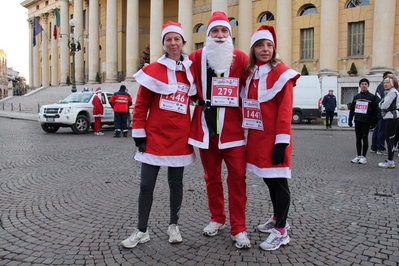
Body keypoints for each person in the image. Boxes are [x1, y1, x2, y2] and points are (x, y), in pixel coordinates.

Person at [121, 21, 196, 248]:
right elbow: (141, 105)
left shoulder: (191, 71)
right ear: (163, 43)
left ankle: (174, 225)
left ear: (183, 42)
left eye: (177, 39)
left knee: (176, 184)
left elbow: (198, 100)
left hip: (179, 138)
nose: (173, 43)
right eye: (168, 39)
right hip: (153, 137)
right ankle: (141, 230)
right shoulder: (151, 71)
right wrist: (139, 134)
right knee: (146, 185)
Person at [188, 11, 250, 249]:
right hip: (206, 129)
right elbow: (186, 86)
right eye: (215, 31)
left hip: (233, 131)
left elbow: (251, 89)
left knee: (237, 180)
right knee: (211, 178)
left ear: (230, 34)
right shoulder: (195, 57)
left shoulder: (241, 58)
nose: (220, 35)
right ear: (208, 34)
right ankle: (217, 219)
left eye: (224, 31)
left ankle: (239, 228)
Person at [241, 25, 300, 251]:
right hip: (257, 137)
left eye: (269, 45)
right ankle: (277, 218)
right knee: (268, 180)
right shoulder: (250, 74)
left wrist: (282, 142)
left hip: (276, 139)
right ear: (253, 49)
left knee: (279, 182)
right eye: (260, 45)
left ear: (274, 48)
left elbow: (285, 110)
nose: (265, 49)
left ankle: (282, 231)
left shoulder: (282, 73)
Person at [348, 78, 377, 164]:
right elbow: (352, 109)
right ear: (360, 86)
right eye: (362, 84)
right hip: (358, 120)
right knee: (358, 138)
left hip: (366, 121)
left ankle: (364, 156)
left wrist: (373, 122)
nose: (364, 85)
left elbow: (375, 110)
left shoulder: (372, 97)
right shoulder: (356, 97)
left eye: (365, 84)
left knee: (365, 138)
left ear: (368, 86)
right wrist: (350, 119)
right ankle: (358, 155)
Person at [378, 76, 399, 168]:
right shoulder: (389, 92)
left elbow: (384, 105)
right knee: (390, 139)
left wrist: (382, 104)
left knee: (389, 139)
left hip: (391, 118)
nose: (385, 84)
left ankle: (390, 161)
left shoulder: (392, 92)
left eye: (387, 82)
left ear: (392, 84)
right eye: (384, 82)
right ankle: (390, 159)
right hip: (390, 117)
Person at [371, 72, 393, 154]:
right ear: (384, 78)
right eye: (389, 78)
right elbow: (383, 100)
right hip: (382, 112)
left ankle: (374, 147)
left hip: (379, 111)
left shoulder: (381, 86)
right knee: (381, 130)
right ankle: (380, 147)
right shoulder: (383, 87)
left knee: (377, 129)